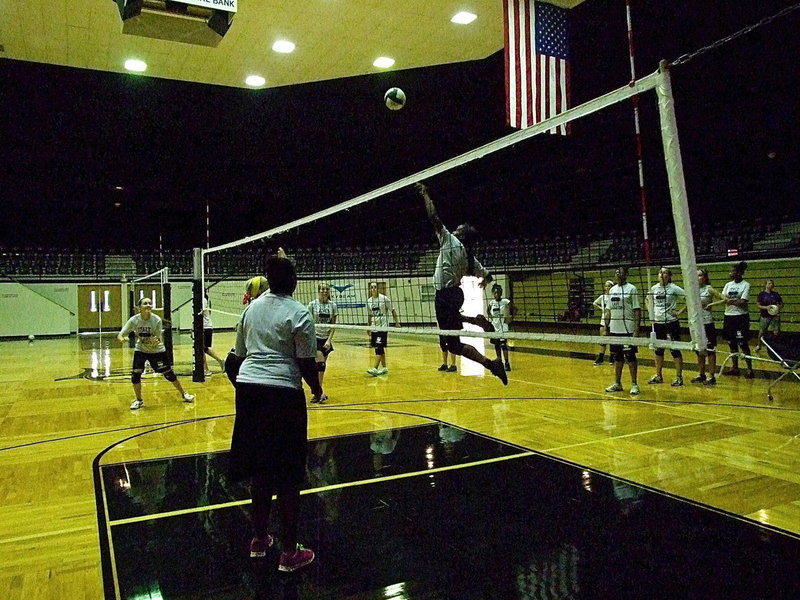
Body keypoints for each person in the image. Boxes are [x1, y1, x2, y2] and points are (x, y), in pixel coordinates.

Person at [228, 254, 322, 572]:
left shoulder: (250, 309)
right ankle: (289, 553)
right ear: (292, 281)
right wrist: (317, 389)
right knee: (288, 476)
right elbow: (307, 362)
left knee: (260, 471)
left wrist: (245, 385)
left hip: (250, 392)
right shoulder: (299, 313)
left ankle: (258, 540)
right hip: (282, 395)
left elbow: (238, 356)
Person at [415, 182, 508, 385]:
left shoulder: (450, 241)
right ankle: (478, 325)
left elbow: (434, 217)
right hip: (455, 294)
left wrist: (425, 194)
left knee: (454, 345)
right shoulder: (469, 256)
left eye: (460, 228)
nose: (456, 228)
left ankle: (490, 361)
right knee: (453, 335)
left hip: (445, 295)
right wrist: (484, 282)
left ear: (462, 234)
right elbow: (489, 276)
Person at [117, 297, 195, 410]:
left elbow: (156, 339)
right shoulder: (134, 320)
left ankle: (184, 394)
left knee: (169, 375)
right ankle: (139, 400)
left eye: (150, 303)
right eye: (145, 304)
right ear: (139, 308)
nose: (148, 305)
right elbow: (120, 334)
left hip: (157, 351)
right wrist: (122, 339)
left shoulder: (156, 320)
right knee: (135, 376)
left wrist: (153, 340)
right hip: (141, 350)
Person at [605, 266, 641, 395]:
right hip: (615, 328)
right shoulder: (612, 290)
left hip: (628, 329)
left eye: (620, 272)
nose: (617, 274)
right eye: (616, 271)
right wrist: (606, 326)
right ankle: (617, 383)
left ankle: (634, 384)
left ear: (626, 274)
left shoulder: (632, 289)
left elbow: (637, 310)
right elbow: (608, 310)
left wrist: (636, 330)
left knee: (630, 357)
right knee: (617, 357)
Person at [646, 267, 686, 387]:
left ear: (669, 276)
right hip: (657, 323)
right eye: (660, 273)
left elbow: (688, 298)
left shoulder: (673, 288)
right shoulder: (654, 288)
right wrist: (651, 312)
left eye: (664, 273)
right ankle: (658, 375)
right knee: (658, 350)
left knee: (675, 350)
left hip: (671, 323)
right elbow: (647, 300)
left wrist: (679, 312)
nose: (661, 275)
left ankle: (679, 377)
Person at [691, 268, 725, 385]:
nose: (697, 278)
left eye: (700, 275)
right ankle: (701, 374)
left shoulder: (709, 289)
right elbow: (689, 305)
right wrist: (679, 313)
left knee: (710, 349)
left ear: (705, 277)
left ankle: (711, 376)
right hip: (697, 323)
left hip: (707, 323)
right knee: (699, 349)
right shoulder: (693, 290)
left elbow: (725, 299)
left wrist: (711, 304)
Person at [721, 261, 754, 378]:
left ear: (739, 273)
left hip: (741, 317)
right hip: (729, 316)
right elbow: (724, 297)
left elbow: (743, 301)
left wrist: (731, 301)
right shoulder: (727, 285)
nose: (731, 273)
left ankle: (749, 368)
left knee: (743, 343)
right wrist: (732, 301)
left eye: (733, 271)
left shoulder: (746, 285)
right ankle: (734, 367)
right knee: (731, 343)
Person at [307, 282, 337, 400]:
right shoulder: (312, 305)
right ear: (318, 291)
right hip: (315, 337)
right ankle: (319, 393)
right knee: (320, 365)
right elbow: (308, 322)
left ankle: (318, 391)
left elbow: (334, 325)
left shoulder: (333, 305)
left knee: (321, 369)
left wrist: (329, 341)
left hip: (326, 339)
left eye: (327, 289)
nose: (325, 291)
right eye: (322, 289)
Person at [366, 282, 400, 376]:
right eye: (371, 287)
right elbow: (370, 315)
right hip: (374, 327)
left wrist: (397, 322)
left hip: (382, 327)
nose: (373, 289)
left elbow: (392, 310)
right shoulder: (369, 301)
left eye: (375, 287)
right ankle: (384, 367)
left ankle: (375, 368)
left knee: (379, 347)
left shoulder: (384, 298)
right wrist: (368, 327)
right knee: (378, 348)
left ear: (378, 288)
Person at [487, 283, 515, 371]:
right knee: (497, 345)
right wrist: (491, 319)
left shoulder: (505, 301)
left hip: (503, 326)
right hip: (495, 327)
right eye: (495, 293)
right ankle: (499, 362)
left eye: (498, 293)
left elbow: (515, 308)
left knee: (503, 345)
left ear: (500, 293)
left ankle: (507, 363)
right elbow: (488, 311)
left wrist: (511, 317)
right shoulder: (492, 302)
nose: (496, 295)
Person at [754, 279, 783, 352]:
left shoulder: (776, 294)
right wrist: (766, 308)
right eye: (769, 283)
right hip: (764, 316)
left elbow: (781, 303)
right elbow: (758, 305)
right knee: (762, 331)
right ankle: (759, 345)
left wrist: (778, 308)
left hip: (775, 316)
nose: (771, 285)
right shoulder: (761, 294)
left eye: (772, 283)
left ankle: (776, 346)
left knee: (776, 331)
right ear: (766, 285)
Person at [201, 291, 226, 376]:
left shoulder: (202, 300)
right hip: (205, 327)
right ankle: (221, 361)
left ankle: (206, 370)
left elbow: (199, 313)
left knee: (201, 349)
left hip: (205, 327)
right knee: (205, 349)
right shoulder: (202, 299)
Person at [592, 280, 614, 366]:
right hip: (603, 320)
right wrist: (601, 308)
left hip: (613, 321)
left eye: (609, 286)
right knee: (603, 339)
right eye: (606, 286)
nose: (607, 287)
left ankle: (612, 357)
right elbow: (594, 303)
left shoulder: (614, 296)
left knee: (612, 340)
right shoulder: (602, 297)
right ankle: (601, 357)